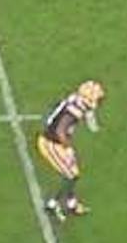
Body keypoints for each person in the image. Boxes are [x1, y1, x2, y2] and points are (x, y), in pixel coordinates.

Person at [38, 81, 105, 222]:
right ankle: (53, 204)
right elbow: (60, 130)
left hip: (56, 141)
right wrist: (67, 148)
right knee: (71, 175)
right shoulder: (76, 110)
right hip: (51, 143)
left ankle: (71, 203)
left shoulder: (75, 99)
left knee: (74, 172)